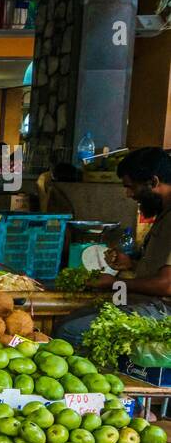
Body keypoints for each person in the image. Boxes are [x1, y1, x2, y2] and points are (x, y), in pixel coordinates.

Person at [55, 147, 171, 350]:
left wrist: (115, 283)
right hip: (145, 302)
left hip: (162, 311)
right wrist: (131, 263)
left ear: (153, 182)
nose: (128, 194)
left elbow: (166, 285)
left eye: (131, 187)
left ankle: (101, 380)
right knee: (64, 322)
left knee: (70, 332)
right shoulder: (164, 214)